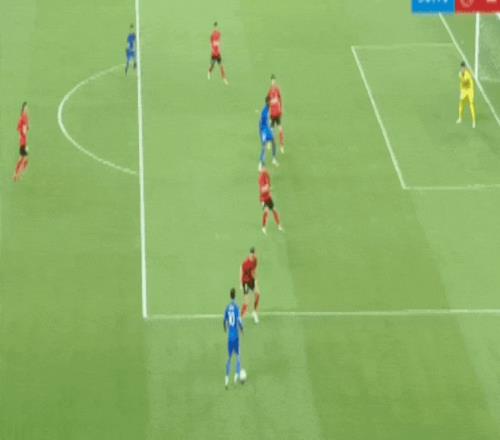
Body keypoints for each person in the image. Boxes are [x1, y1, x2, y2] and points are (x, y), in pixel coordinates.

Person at [223, 288, 243, 388]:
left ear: (230, 296)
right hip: (236, 337)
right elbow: (239, 321)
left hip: (230, 338)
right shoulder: (237, 308)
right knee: (238, 357)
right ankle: (236, 378)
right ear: (235, 296)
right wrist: (242, 329)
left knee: (229, 358)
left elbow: (224, 321)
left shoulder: (227, 308)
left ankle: (226, 380)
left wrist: (225, 329)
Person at [259, 166, 283, 234]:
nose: (264, 170)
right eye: (263, 169)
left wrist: (269, 188)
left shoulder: (267, 175)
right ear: (261, 170)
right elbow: (262, 190)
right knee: (266, 212)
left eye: (265, 169)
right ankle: (263, 227)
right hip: (263, 199)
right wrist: (268, 188)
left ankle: (279, 226)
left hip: (268, 197)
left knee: (274, 210)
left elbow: (269, 184)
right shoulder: (260, 179)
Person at [240, 247, 260, 323]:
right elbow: (242, 271)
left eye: (253, 253)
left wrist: (256, 280)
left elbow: (255, 270)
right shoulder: (246, 263)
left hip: (252, 281)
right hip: (246, 282)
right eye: (251, 253)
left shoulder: (255, 260)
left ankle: (254, 312)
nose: (252, 255)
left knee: (257, 294)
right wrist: (241, 283)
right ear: (250, 254)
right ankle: (240, 318)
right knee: (246, 302)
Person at [259, 97, 278, 171]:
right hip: (263, 130)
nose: (271, 102)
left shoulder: (268, 107)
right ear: (267, 102)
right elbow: (262, 123)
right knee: (264, 147)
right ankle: (261, 164)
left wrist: (275, 100)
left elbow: (274, 102)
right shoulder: (264, 112)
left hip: (267, 129)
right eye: (270, 102)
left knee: (273, 142)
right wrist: (262, 133)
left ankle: (273, 158)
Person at [268, 74, 285, 152]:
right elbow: (268, 102)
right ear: (271, 81)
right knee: (271, 129)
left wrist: (281, 109)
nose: (273, 82)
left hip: (277, 113)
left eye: (274, 80)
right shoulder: (270, 91)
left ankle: (281, 145)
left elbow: (280, 99)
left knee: (280, 129)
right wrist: (269, 112)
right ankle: (269, 143)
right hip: (272, 114)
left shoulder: (277, 90)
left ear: (275, 81)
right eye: (272, 81)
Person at [13, 102, 30, 182]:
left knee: (22, 159)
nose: (27, 109)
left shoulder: (23, 117)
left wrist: (23, 131)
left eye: (27, 107)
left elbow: (20, 128)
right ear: (23, 109)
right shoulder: (24, 117)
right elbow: (23, 129)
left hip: (23, 141)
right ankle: (17, 175)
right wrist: (23, 131)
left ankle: (16, 174)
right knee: (25, 160)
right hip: (23, 142)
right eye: (25, 108)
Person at [456, 61, 476, 128]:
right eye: (461, 68)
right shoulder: (460, 74)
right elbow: (463, 82)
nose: (462, 69)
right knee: (461, 103)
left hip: (470, 89)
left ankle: (474, 121)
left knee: (471, 104)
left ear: (465, 67)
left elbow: (465, 81)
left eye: (463, 67)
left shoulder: (468, 74)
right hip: (464, 90)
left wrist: (467, 73)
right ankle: (460, 118)